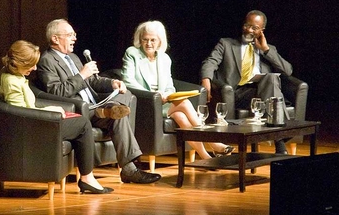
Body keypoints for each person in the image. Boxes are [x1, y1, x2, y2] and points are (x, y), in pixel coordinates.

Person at [36, 19, 161, 184]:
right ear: (55, 39)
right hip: (77, 109)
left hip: (94, 104)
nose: (74, 38)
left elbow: (93, 81)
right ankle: (129, 169)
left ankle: (129, 168)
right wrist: (81, 75)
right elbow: (56, 91)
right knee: (117, 113)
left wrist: (111, 83)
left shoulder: (72, 57)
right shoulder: (47, 60)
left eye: (74, 34)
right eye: (69, 35)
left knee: (124, 100)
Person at [0, 40, 113, 194]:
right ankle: (87, 179)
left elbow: (27, 109)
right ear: (20, 63)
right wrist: (51, 114)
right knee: (83, 124)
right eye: (32, 64)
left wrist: (54, 109)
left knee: (77, 119)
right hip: (30, 128)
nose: (35, 68)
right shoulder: (11, 82)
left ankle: (85, 176)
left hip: (33, 121)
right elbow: (21, 114)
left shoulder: (9, 73)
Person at [121, 20, 235, 159]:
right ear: (140, 39)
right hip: (144, 102)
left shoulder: (164, 58)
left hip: (163, 102)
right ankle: (214, 142)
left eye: (152, 40)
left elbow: (169, 86)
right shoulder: (132, 53)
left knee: (180, 116)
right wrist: (154, 95)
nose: (149, 44)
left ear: (160, 41)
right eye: (145, 39)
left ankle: (205, 156)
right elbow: (128, 81)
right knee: (184, 103)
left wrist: (168, 94)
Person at [200, 10, 292, 154]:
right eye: (246, 25)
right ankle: (280, 140)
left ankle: (279, 139)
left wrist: (266, 49)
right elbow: (210, 62)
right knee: (274, 93)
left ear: (262, 31)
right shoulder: (226, 44)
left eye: (254, 28)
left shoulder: (268, 49)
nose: (249, 30)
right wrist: (206, 80)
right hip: (236, 93)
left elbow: (288, 71)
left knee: (271, 78)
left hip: (261, 94)